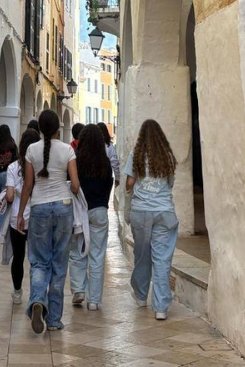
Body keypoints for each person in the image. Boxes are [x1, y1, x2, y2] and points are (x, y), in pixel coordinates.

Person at [16, 109, 79, 334]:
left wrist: (21, 214)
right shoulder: (68, 150)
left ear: (40, 129)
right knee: (59, 264)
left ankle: (36, 301)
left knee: (39, 261)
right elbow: (75, 184)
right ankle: (53, 320)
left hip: (39, 208)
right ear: (58, 128)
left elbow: (28, 186)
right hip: (63, 208)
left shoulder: (31, 150)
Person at [125, 119, 179, 321]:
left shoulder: (136, 155)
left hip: (140, 212)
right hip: (164, 212)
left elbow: (129, 183)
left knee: (142, 255)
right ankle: (161, 307)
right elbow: (170, 183)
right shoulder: (167, 156)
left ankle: (140, 296)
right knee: (162, 259)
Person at [69, 124, 114, 310]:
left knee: (77, 252)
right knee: (97, 254)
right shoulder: (106, 163)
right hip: (100, 211)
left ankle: (79, 289)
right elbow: (109, 185)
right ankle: (94, 300)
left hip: (79, 211)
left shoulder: (76, 162)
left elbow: (71, 184)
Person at [0, 126, 40, 303]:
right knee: (37, 258)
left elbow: (9, 196)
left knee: (19, 256)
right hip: (38, 217)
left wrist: (15, 191)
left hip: (17, 218)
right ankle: (36, 294)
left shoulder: (13, 167)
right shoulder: (40, 167)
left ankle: (17, 292)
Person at [0, 125, 18, 233]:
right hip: (7, 175)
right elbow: (15, 163)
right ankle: (1, 226)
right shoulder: (12, 146)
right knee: (4, 200)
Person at [98, 122, 120, 186]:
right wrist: (117, 178)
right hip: (106, 176)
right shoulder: (109, 146)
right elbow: (114, 162)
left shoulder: (91, 146)